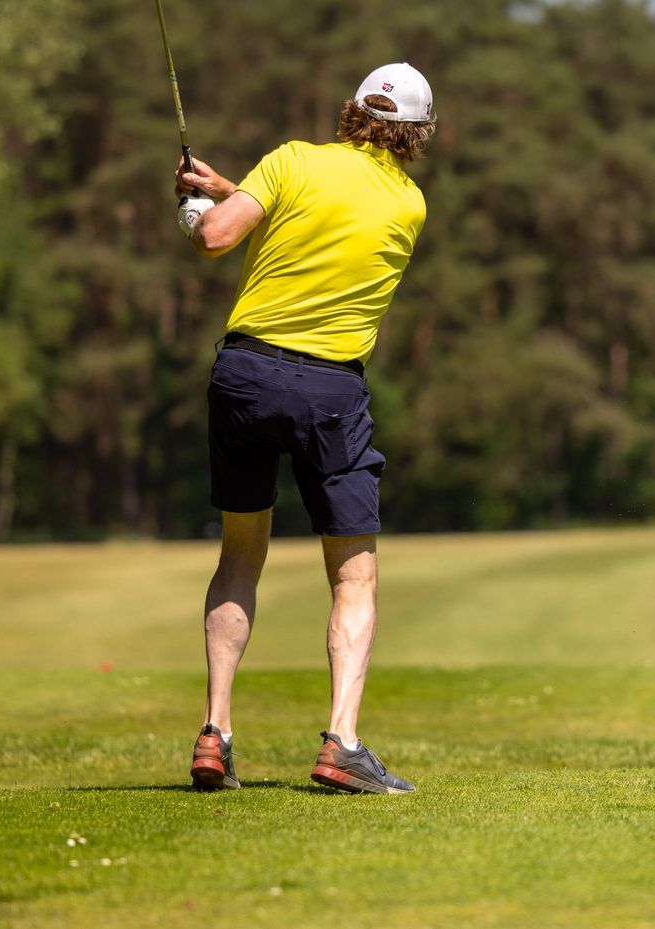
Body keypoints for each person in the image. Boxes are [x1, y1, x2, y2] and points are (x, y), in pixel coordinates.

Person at [174, 62, 435, 796]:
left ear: (352, 111)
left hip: (245, 375)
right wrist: (231, 195)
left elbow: (216, 239)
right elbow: (332, 223)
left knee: (239, 555)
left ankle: (215, 732)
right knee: (353, 573)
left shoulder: (292, 160)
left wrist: (201, 206)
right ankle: (341, 744)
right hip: (330, 391)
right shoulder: (409, 205)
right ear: (417, 134)